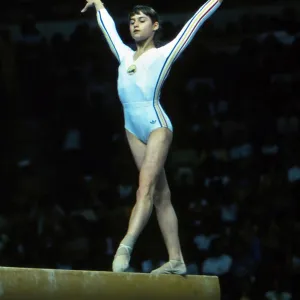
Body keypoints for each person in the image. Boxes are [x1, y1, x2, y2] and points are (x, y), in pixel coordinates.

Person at [81, 0, 222, 274]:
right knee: (160, 195)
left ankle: (125, 246)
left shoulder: (164, 53)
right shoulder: (123, 54)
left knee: (144, 189)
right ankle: (177, 260)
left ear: (155, 26)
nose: (135, 23)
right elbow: (108, 28)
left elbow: (196, 21)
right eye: (132, 20)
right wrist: (99, 6)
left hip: (156, 125)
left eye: (142, 20)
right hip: (131, 127)